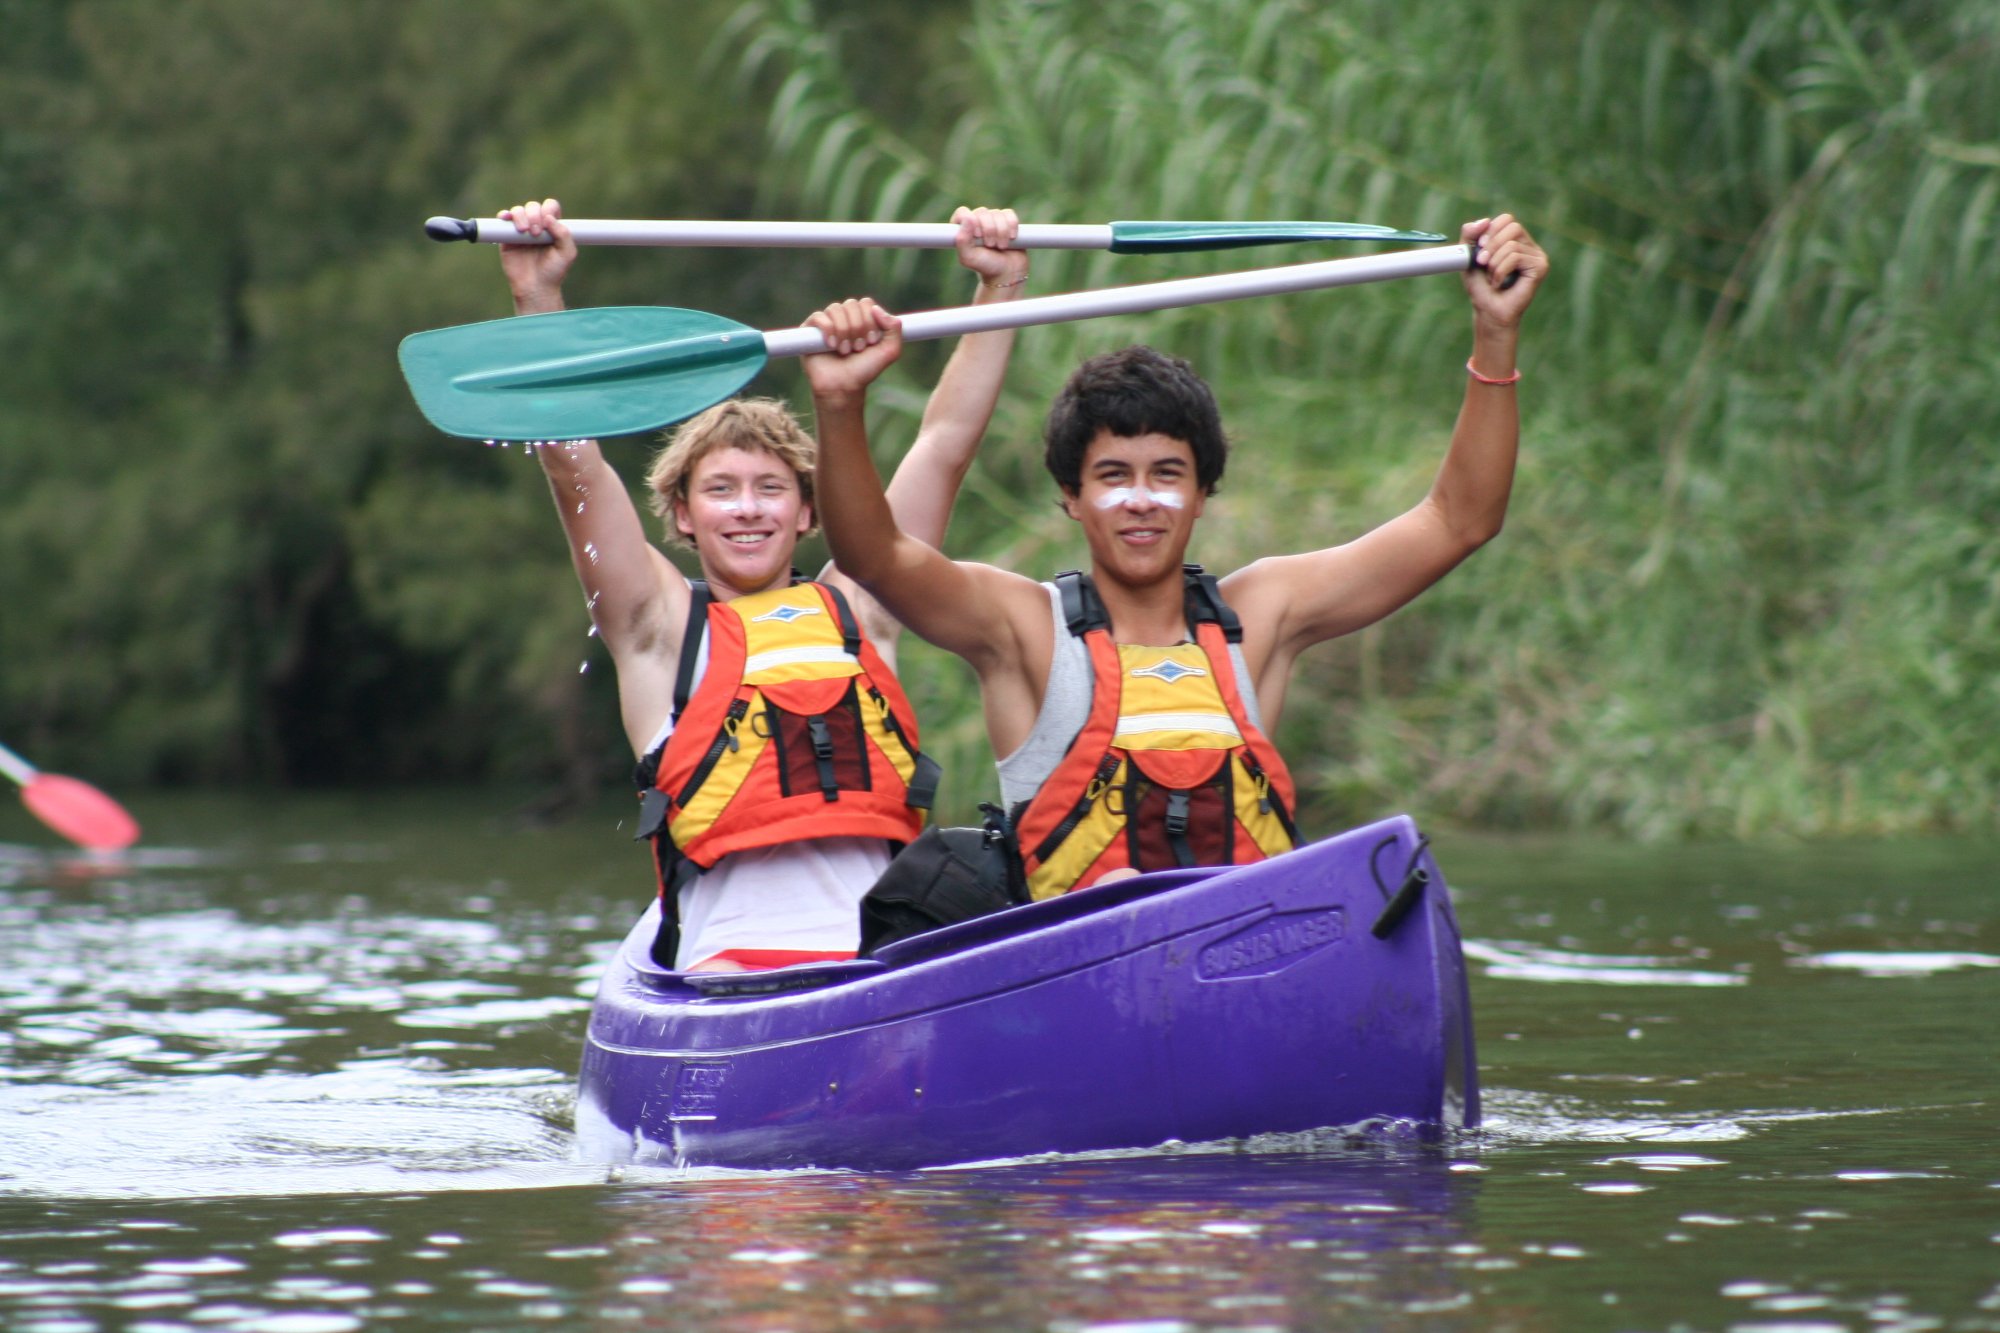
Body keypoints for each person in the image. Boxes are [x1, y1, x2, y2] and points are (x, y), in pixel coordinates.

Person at [801, 214, 1548, 899]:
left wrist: (1495, 332)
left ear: (1201, 494)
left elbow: (1459, 521)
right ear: (1071, 495)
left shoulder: (1266, 611)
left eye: (1166, 475)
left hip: (1238, 954)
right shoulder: (1020, 626)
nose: (1140, 501)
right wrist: (842, 407)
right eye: (1113, 476)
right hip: (1082, 972)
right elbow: (874, 556)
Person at [496, 197, 1031, 970]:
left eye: (770, 488)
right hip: (731, 972)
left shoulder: (866, 605)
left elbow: (945, 443)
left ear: (810, 509)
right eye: (720, 490)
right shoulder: (657, 626)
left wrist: (999, 287)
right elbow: (570, 463)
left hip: (881, 966)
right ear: (681, 515)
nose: (747, 509)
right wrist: (536, 298)